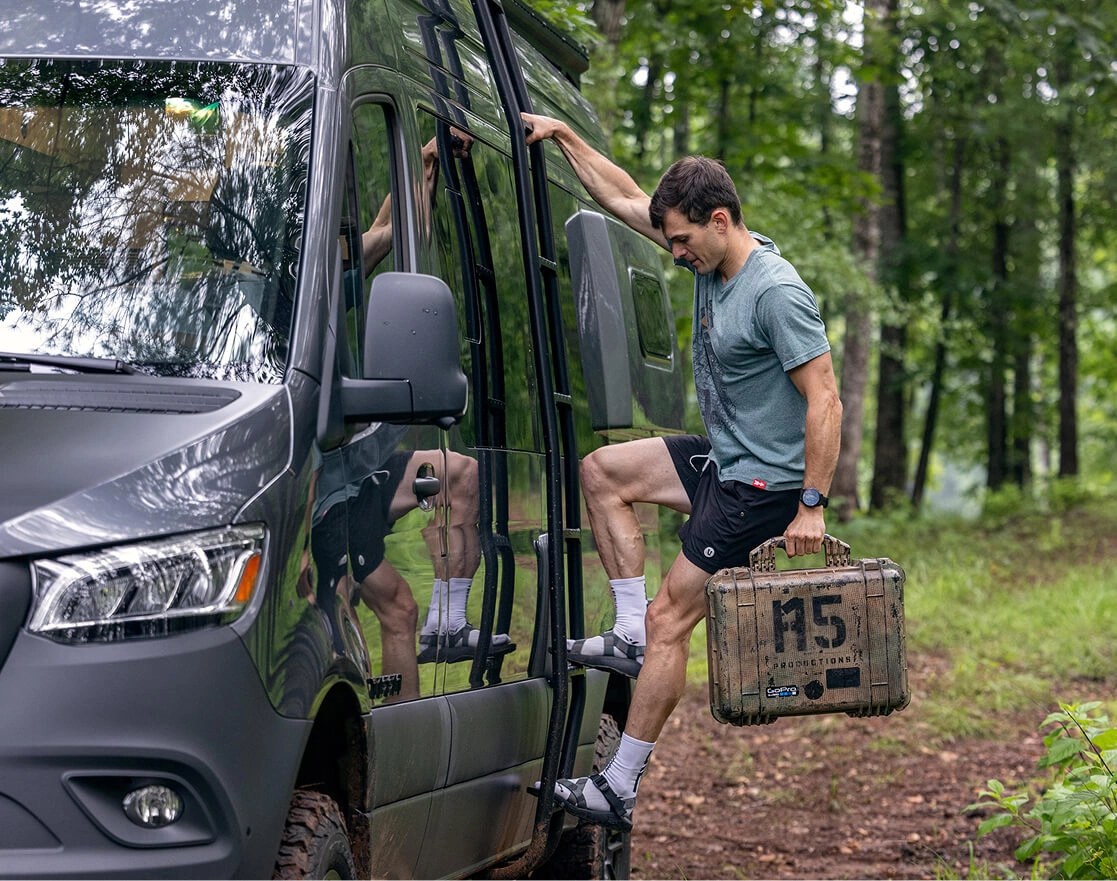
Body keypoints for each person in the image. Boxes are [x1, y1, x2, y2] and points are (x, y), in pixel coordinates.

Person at [521, 112, 843, 831]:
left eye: (680, 240)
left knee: (675, 620)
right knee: (603, 472)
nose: (672, 252)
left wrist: (811, 506)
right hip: (722, 458)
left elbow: (826, 399)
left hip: (762, 489)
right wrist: (564, 134)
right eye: (667, 238)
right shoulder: (705, 251)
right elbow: (620, 196)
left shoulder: (774, 292)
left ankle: (619, 785)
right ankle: (627, 631)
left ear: (720, 220)